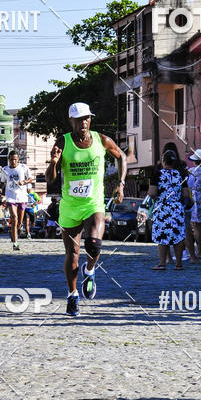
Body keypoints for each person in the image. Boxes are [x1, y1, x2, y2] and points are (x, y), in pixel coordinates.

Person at [45, 102, 126, 317]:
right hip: (70, 206)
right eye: (79, 119)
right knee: (72, 255)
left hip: (93, 203)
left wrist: (121, 183)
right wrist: (53, 163)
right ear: (71, 121)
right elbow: (50, 180)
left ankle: (89, 271)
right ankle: (72, 296)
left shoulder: (101, 140)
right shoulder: (63, 141)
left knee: (93, 245)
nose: (84, 123)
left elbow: (122, 157)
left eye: (87, 118)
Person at [149, 147, 191, 271]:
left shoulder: (157, 174)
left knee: (162, 235)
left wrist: (159, 197)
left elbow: (151, 193)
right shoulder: (180, 174)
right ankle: (179, 264)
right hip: (177, 207)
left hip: (162, 207)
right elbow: (185, 195)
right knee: (178, 236)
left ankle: (162, 263)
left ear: (163, 160)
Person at [0, 151, 34, 250]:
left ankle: (13, 233)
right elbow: (2, 182)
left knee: (19, 222)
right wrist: (0, 191)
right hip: (10, 197)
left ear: (18, 159)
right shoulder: (5, 169)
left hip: (22, 197)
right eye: (11, 159)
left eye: (15, 159)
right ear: (8, 160)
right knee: (14, 218)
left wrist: (24, 182)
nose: (13, 161)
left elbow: (30, 179)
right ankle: (15, 243)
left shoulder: (23, 168)